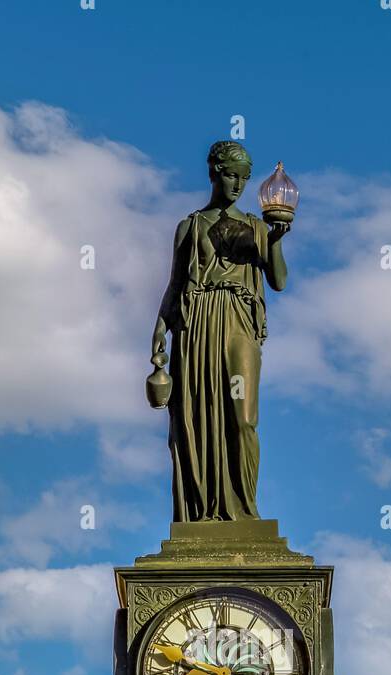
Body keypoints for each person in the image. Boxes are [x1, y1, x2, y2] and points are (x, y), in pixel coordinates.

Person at [150, 140, 291, 522]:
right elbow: (175, 284)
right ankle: (204, 512)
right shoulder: (190, 227)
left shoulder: (255, 226)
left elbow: (278, 280)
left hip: (238, 321)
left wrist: (274, 242)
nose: (237, 185)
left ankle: (243, 509)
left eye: (244, 178)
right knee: (197, 416)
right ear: (213, 172)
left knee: (242, 417)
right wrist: (160, 329)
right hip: (197, 327)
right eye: (230, 175)